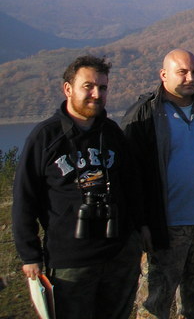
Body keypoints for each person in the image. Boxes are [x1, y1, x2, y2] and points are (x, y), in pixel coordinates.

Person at [12, 55, 142, 319]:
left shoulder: (113, 133)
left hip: (118, 256)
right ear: (68, 89)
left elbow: (133, 188)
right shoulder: (45, 137)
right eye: (88, 86)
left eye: (102, 87)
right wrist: (29, 255)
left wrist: (138, 234)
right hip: (70, 261)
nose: (96, 94)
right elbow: (25, 199)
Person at [122, 49, 194, 319]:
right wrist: (141, 223)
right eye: (182, 72)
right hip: (164, 227)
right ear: (164, 74)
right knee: (154, 302)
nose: (190, 77)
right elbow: (128, 174)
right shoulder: (146, 113)